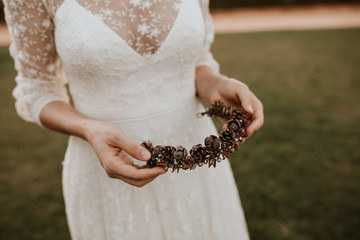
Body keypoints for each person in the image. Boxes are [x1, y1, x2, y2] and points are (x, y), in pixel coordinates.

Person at [4, 0, 264, 239]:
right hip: (107, 168)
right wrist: (90, 129)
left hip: (196, 162)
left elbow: (196, 62)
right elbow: (36, 90)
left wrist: (217, 86)